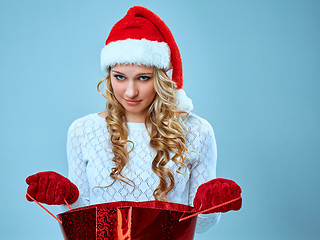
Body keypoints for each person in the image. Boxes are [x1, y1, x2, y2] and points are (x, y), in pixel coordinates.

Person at [26, 6, 242, 235]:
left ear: (160, 78)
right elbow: (85, 223)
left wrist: (209, 205)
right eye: (120, 77)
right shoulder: (83, 130)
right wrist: (66, 197)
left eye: (143, 78)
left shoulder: (197, 131)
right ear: (109, 75)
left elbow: (199, 227)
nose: (130, 92)